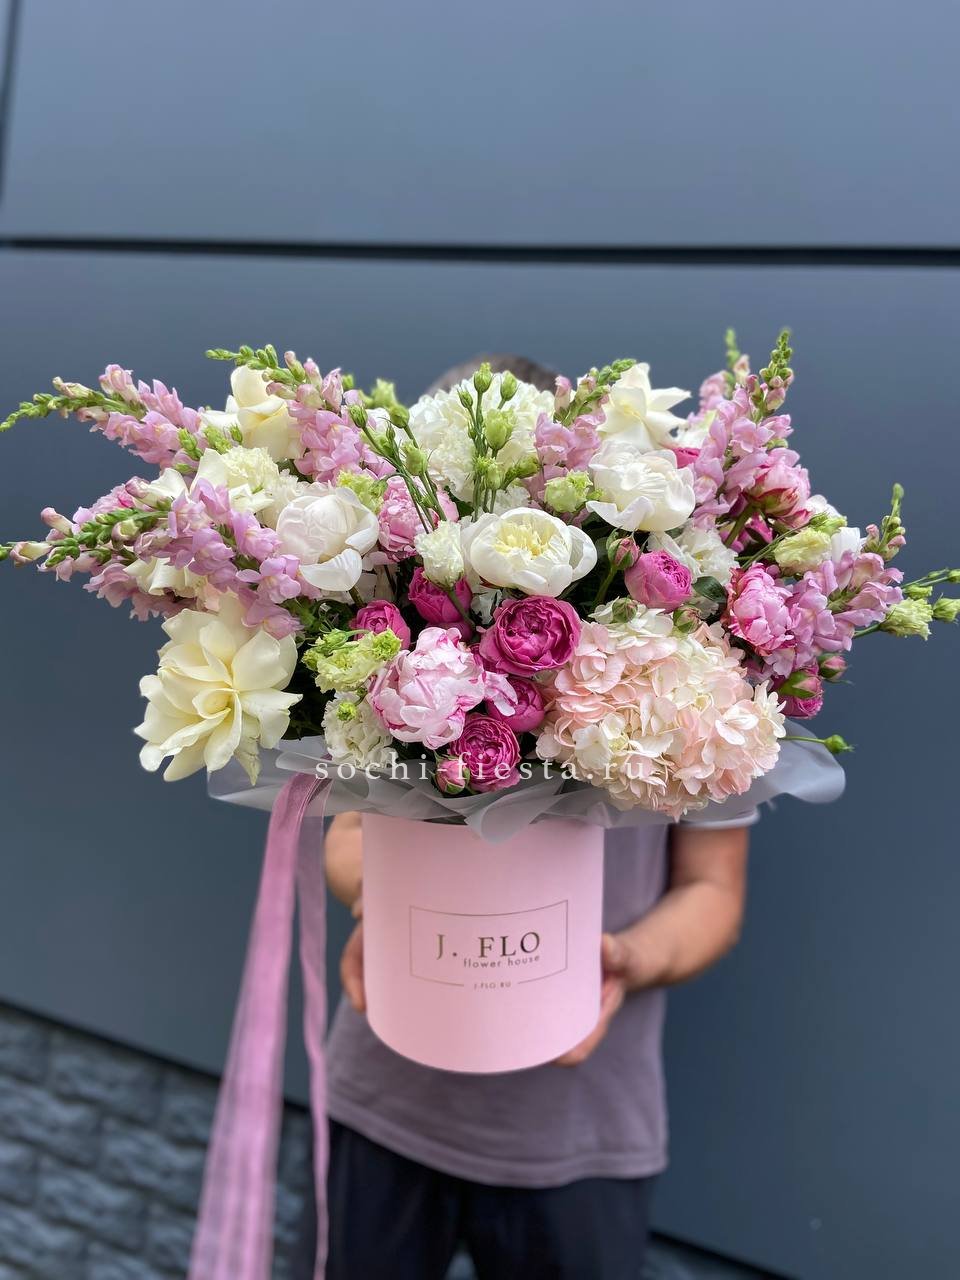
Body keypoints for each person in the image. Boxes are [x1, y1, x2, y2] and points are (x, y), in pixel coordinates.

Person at [311, 358, 758, 1280]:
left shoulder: (694, 672)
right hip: (384, 1085)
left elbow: (713, 892)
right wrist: (376, 904)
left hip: (580, 1121)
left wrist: (622, 960)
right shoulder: (379, 636)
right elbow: (348, 837)